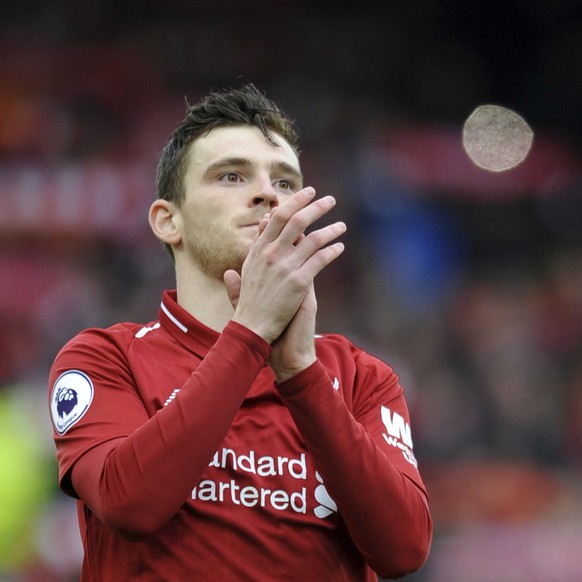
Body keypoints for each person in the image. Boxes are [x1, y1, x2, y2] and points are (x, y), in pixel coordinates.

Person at [48, 84, 432, 581]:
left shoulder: (361, 376)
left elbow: (403, 550)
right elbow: (129, 505)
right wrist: (250, 332)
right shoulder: (104, 358)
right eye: (230, 175)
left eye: (286, 182)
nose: (268, 193)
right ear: (168, 221)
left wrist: (300, 375)